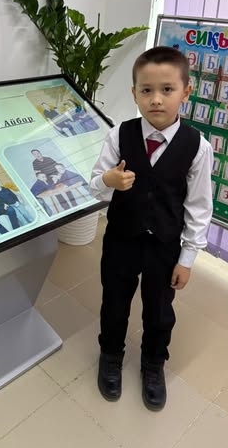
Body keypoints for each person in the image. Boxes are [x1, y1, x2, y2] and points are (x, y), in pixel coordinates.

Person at [90, 46, 213, 411]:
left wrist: (187, 258)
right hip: (121, 239)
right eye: (146, 90)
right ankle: (111, 355)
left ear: (186, 92)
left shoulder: (197, 147)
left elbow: (199, 207)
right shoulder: (120, 135)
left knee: (159, 309)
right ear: (134, 94)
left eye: (167, 89)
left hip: (164, 245)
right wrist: (109, 180)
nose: (156, 99)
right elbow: (94, 183)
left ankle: (153, 363)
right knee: (114, 301)